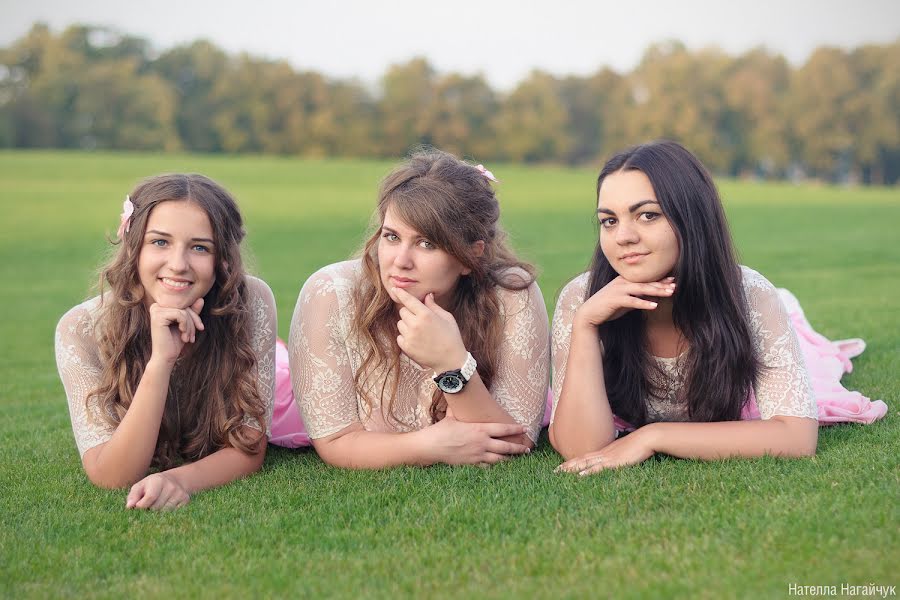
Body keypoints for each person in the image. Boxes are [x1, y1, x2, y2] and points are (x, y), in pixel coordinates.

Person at [550, 140, 886, 475]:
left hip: (747, 311)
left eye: (647, 215)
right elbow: (582, 450)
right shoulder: (581, 299)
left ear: (691, 218)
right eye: (609, 220)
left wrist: (654, 436)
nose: (623, 236)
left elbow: (797, 437)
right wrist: (586, 326)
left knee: (816, 364)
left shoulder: (751, 296)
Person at [288, 149, 550, 468]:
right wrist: (434, 445)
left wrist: (451, 361)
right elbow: (335, 442)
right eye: (392, 237)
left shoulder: (510, 294)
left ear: (472, 255)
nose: (401, 261)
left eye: (427, 243)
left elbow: (515, 444)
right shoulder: (331, 293)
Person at [55, 174, 277, 509]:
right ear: (134, 245)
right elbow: (112, 476)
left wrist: (177, 479)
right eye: (160, 242)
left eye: (200, 247)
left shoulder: (251, 300)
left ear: (223, 259)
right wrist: (161, 361)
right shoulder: (80, 329)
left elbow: (248, 447)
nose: (177, 265)